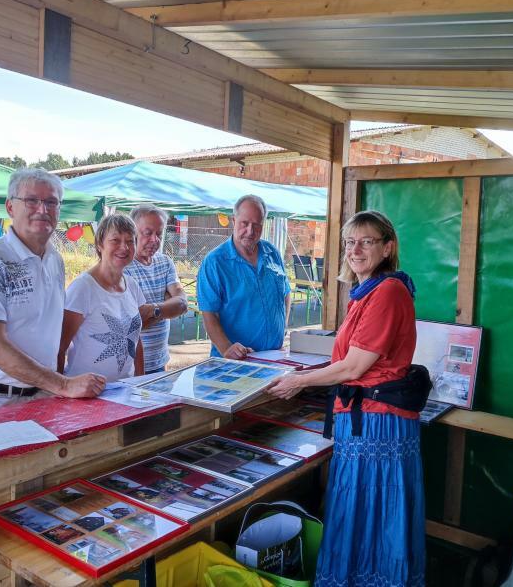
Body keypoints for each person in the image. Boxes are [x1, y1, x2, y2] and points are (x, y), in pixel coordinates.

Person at [266, 210, 424, 586]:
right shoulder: (367, 292)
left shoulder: (387, 292)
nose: (355, 250)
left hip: (377, 422)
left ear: (387, 248)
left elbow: (353, 368)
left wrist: (299, 381)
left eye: (366, 241)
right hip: (363, 418)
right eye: (350, 242)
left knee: (372, 510)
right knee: (358, 508)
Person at [0, 168, 105, 410]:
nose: (42, 209)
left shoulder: (55, 260)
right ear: (10, 207)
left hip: (43, 395)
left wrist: (57, 386)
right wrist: (64, 384)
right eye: (31, 200)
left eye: (51, 202)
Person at [197, 194, 291, 359]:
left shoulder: (272, 253)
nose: (250, 231)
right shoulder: (215, 262)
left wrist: (282, 328)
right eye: (244, 223)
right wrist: (226, 349)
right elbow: (209, 314)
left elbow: (286, 293)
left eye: (257, 225)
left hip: (274, 357)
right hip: (236, 363)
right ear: (234, 221)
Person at [58, 214, 146, 381]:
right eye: (115, 240)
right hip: (86, 396)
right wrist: (60, 391)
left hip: (124, 391)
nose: (124, 247)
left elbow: (136, 339)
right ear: (99, 244)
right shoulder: (83, 287)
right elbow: (60, 347)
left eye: (130, 241)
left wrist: (140, 382)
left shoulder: (132, 286)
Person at [123, 204, 188, 374]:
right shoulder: (123, 268)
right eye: (148, 233)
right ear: (132, 232)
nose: (155, 240)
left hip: (160, 363)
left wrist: (152, 310)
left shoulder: (165, 262)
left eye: (159, 234)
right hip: (130, 367)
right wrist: (168, 306)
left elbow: (182, 304)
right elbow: (131, 323)